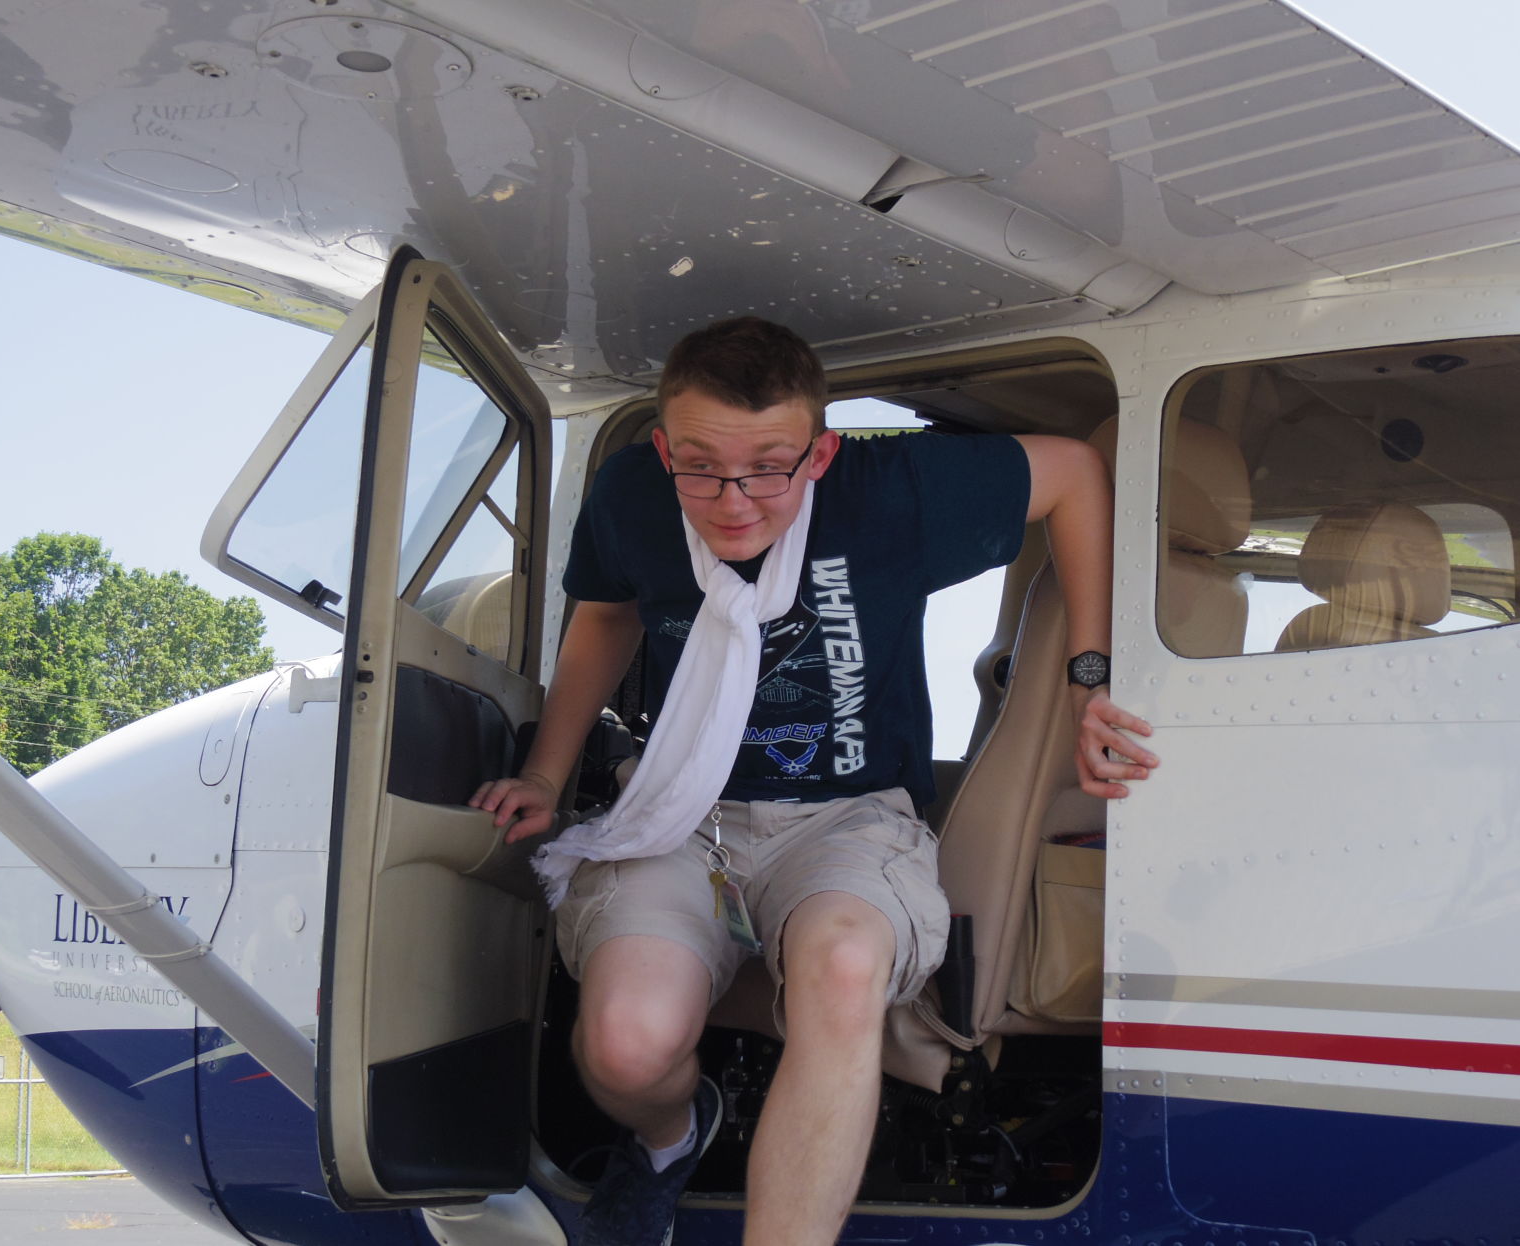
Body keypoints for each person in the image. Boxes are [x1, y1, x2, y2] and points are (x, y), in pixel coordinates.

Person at [469, 317, 1156, 1246]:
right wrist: (548, 772)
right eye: (702, 465)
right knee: (626, 1047)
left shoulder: (886, 489)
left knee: (842, 967)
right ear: (665, 447)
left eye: (769, 467)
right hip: (685, 813)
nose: (735, 499)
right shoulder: (634, 493)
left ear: (821, 453)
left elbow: (1073, 472)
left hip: (849, 820)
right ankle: (672, 1139)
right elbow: (604, 615)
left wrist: (1089, 678)